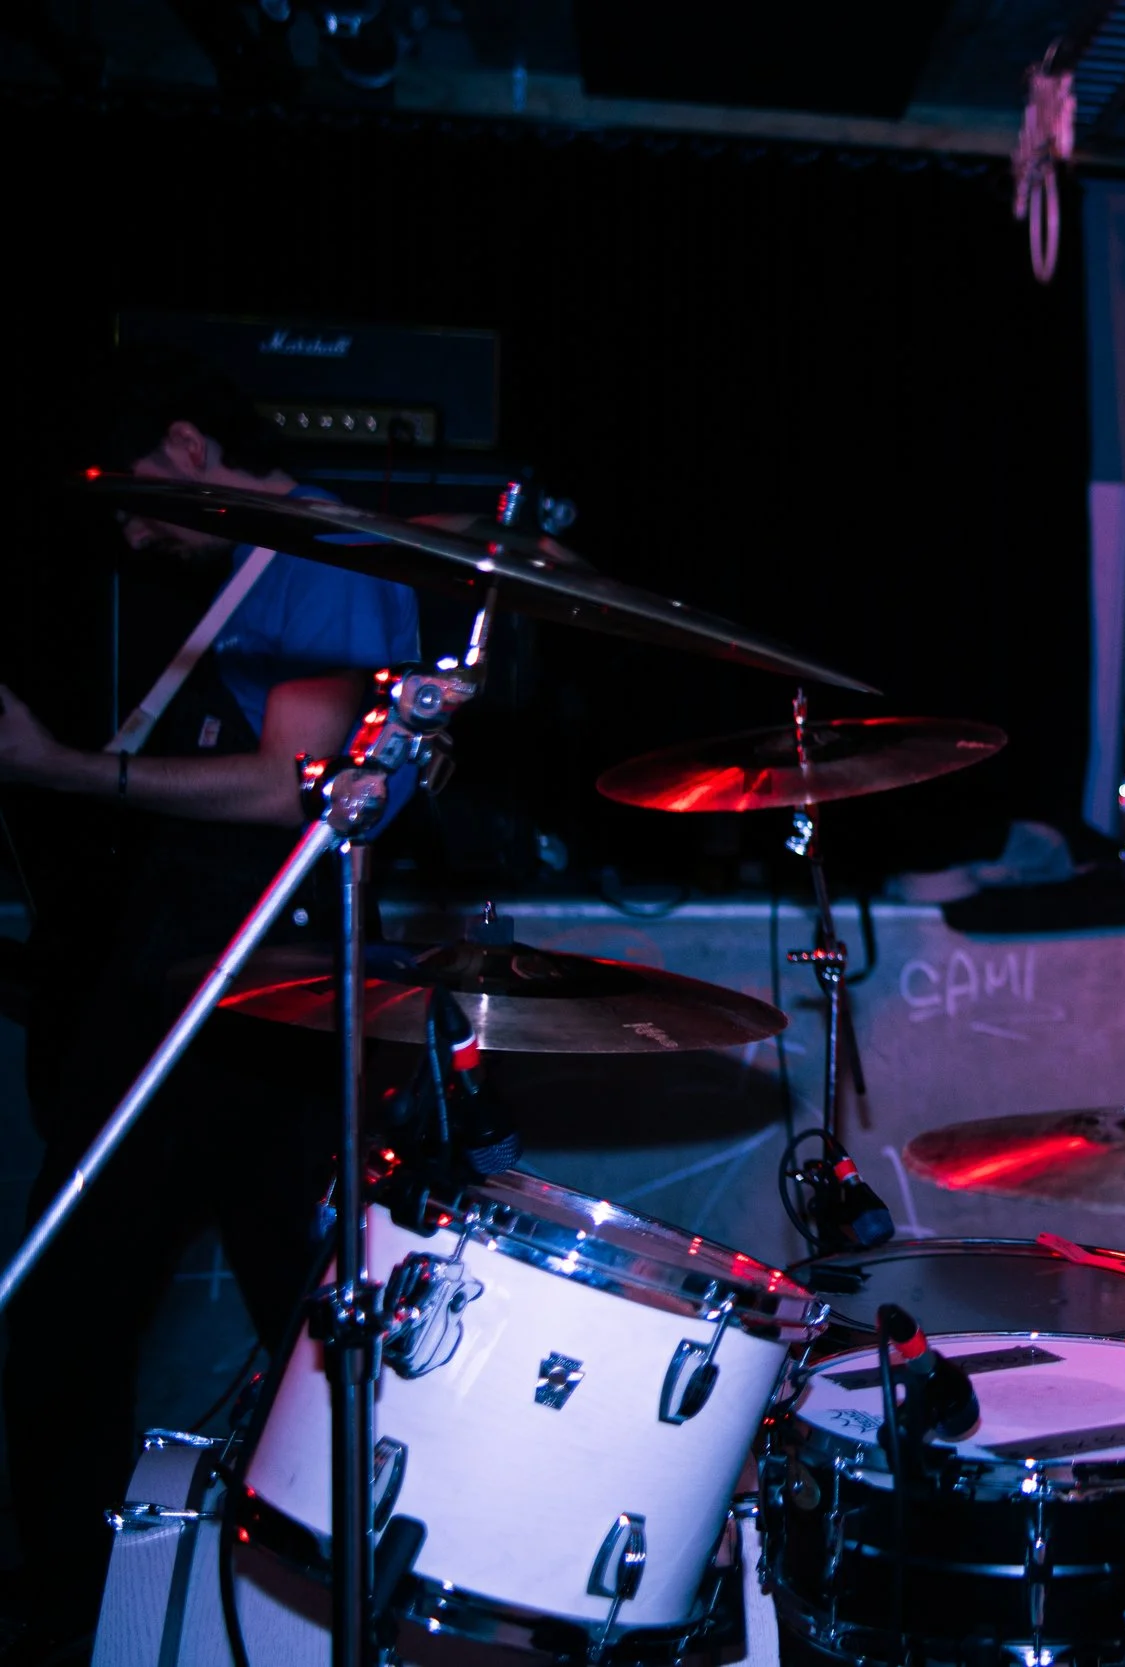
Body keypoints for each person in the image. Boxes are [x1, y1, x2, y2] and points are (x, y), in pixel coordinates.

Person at [0, 345, 419, 1659]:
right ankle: (79, 1620)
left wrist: (68, 771)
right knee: (76, 1322)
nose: (130, 533)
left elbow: (290, 785)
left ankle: (341, 1615)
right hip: (187, 963)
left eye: (133, 496)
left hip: (256, 984)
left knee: (300, 1328)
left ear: (186, 448)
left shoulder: (324, 553)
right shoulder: (250, 570)